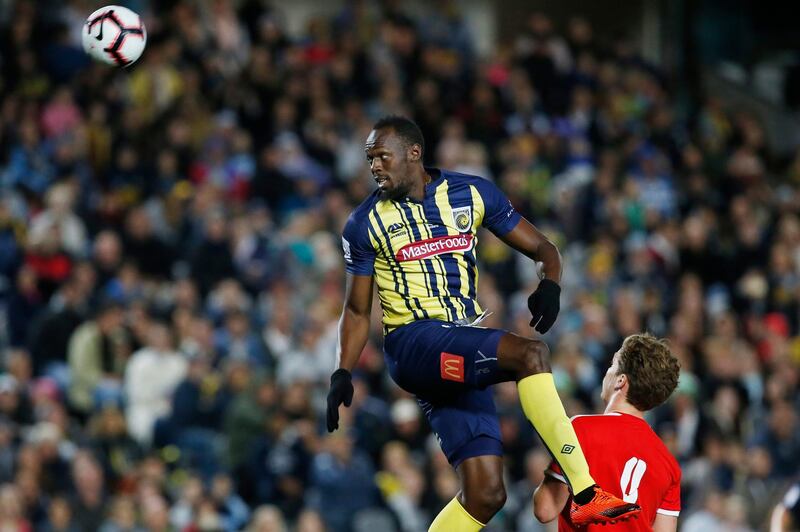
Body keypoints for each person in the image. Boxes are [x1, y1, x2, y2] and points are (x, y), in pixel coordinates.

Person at [326, 115, 640, 530]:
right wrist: (342, 371)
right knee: (530, 354)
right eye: (370, 160)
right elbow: (358, 310)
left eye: (382, 157)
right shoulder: (364, 223)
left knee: (486, 494)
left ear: (413, 153)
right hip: (412, 343)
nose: (374, 168)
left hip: (458, 345)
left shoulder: (472, 193)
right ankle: (585, 491)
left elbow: (544, 247)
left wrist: (552, 283)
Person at [533, 333, 682, 531]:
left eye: (612, 365)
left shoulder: (581, 429)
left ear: (621, 380)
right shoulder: (669, 464)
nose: (607, 372)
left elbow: (545, 509)